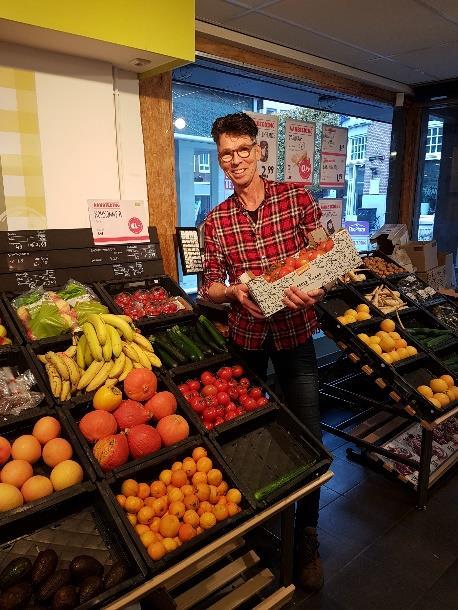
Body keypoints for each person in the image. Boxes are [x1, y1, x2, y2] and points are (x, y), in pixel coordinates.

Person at [200, 112, 327, 591]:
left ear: (259, 151)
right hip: (246, 342)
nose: (235, 161)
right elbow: (207, 285)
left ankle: (308, 535)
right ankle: (253, 523)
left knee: (310, 435)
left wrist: (315, 285)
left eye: (242, 151)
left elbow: (324, 251)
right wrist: (232, 292)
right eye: (226, 154)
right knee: (244, 434)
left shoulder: (296, 198)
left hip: (295, 336)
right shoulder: (216, 220)